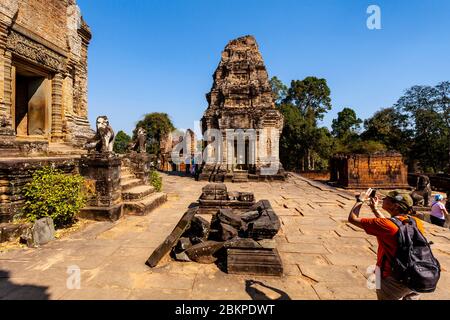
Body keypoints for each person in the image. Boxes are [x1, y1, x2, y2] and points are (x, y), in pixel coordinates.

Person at [348, 189, 425, 300]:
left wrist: (360, 200)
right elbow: (393, 225)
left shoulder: (386, 226)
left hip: (392, 279)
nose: (383, 199)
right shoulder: (416, 222)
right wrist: (375, 209)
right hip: (416, 276)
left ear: (395, 206)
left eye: (387, 199)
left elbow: (352, 218)